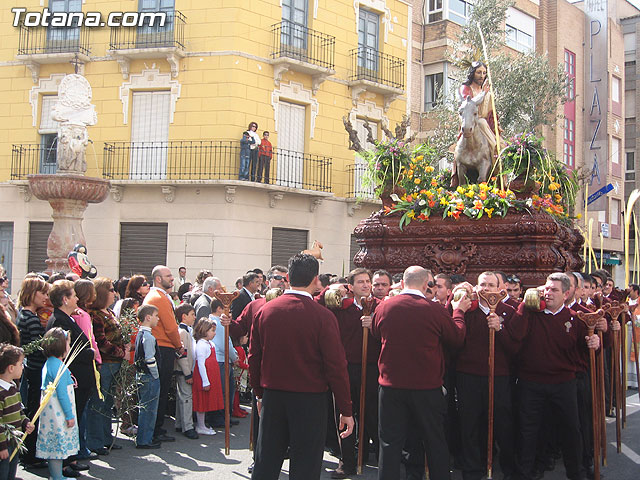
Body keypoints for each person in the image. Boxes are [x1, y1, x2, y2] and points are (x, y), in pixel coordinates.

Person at [249, 253, 354, 480]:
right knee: (305, 464)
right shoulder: (323, 316)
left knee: (266, 460)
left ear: (287, 277)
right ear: (316, 280)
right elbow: (336, 366)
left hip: (273, 395)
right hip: (309, 399)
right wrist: (346, 409)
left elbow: (254, 357)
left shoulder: (265, 311)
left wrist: (259, 394)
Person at [372, 266, 470, 480]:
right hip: (426, 387)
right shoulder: (434, 310)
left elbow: (376, 332)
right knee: (434, 441)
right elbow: (456, 337)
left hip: (390, 387)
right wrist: (459, 312)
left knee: (389, 444)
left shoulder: (385, 307)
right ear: (427, 284)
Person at [511, 273, 601, 480]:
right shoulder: (530, 314)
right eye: (546, 289)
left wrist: (594, 345)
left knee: (572, 430)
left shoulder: (576, 319)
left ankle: (576, 472)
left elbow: (585, 352)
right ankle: (525, 473)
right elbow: (514, 335)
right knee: (528, 431)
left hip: (563, 383)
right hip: (530, 383)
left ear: (566, 293)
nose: (548, 293)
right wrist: (524, 305)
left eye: (554, 290)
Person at [316, 268, 380, 479]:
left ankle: (375, 454)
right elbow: (317, 305)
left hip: (370, 368)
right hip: (345, 368)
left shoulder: (379, 307)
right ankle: (347, 461)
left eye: (367, 281)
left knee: (371, 413)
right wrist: (331, 289)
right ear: (350, 286)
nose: (365, 285)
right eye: (360, 282)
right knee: (344, 414)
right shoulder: (341, 308)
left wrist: (373, 327)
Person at [455, 272, 519, 480]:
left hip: (498, 375)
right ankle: (473, 469)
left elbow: (515, 348)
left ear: (500, 289)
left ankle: (507, 467)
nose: (486, 288)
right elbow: (455, 339)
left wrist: (499, 329)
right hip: (469, 375)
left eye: (491, 285)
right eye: (482, 284)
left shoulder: (508, 311)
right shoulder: (467, 310)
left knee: (502, 422)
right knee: (470, 423)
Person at [46, 280, 94, 476]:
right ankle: (64, 464)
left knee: (76, 417)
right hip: (73, 376)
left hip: (81, 377)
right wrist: (89, 353)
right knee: (68, 420)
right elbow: (65, 351)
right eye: (73, 295)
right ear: (65, 299)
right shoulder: (58, 320)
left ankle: (71, 458)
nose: (76, 298)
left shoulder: (68, 318)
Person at [86, 278, 128, 455]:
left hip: (115, 364)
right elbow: (100, 342)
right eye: (111, 290)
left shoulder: (108, 312)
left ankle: (106, 437)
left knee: (108, 402)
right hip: (105, 364)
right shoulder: (95, 315)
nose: (114, 292)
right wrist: (120, 352)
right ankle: (95, 441)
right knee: (99, 403)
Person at [143, 265, 183, 443]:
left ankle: (154, 429)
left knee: (158, 390)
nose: (172, 279)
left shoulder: (156, 296)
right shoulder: (159, 298)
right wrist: (179, 345)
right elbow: (170, 326)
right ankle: (155, 430)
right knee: (159, 390)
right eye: (168, 276)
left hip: (161, 346)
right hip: (163, 348)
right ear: (158, 279)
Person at [36, 328, 79, 480]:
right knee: (57, 445)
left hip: (54, 411)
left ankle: (57, 475)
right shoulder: (57, 365)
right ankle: (57, 476)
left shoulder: (51, 363)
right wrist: (69, 415)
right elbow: (61, 394)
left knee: (55, 444)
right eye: (68, 343)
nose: (70, 346)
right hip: (58, 412)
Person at [16, 275, 49, 469]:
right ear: (31, 294)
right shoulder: (30, 318)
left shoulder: (26, 314)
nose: (45, 297)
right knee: (34, 410)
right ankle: (30, 454)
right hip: (36, 369)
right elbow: (40, 346)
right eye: (42, 293)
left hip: (31, 367)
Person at [0, 344, 35, 480]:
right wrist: (2, 446)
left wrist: (25, 421)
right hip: (4, 445)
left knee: (11, 473)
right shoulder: (1, 393)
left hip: (15, 441)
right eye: (21, 364)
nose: (23, 367)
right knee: (3, 473)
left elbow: (19, 409)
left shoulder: (13, 387)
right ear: (11, 368)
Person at [134, 305, 161, 450]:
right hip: (149, 376)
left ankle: (144, 438)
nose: (157, 318)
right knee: (149, 409)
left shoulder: (141, 334)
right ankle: (145, 439)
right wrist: (156, 375)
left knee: (144, 408)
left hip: (142, 375)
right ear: (148, 317)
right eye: (156, 315)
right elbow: (150, 359)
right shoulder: (149, 337)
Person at [210, 299, 239, 429]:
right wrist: (234, 357)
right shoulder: (217, 323)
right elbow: (224, 343)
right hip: (221, 360)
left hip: (223, 359)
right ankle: (220, 417)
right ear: (219, 309)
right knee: (223, 391)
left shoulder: (216, 321)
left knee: (227, 390)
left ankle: (226, 416)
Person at [193, 317, 224, 435]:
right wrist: (205, 381)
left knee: (206, 401)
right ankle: (200, 426)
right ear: (204, 330)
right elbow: (200, 363)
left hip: (211, 376)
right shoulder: (201, 345)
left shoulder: (210, 344)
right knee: (202, 401)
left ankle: (203, 425)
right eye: (212, 330)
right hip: (204, 377)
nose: (214, 333)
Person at [174, 303, 198, 439]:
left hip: (186, 369)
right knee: (186, 397)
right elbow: (182, 355)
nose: (194, 317)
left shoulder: (186, 330)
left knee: (181, 396)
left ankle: (179, 422)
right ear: (184, 316)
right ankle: (188, 426)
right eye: (192, 315)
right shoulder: (182, 332)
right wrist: (188, 372)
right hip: (184, 370)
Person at [232, 334, 249, 418]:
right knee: (235, 392)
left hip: (240, 373)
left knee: (237, 392)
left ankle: (237, 408)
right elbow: (239, 362)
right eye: (246, 337)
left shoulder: (240, 348)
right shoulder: (238, 349)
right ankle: (235, 409)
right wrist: (248, 367)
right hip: (237, 373)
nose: (247, 339)